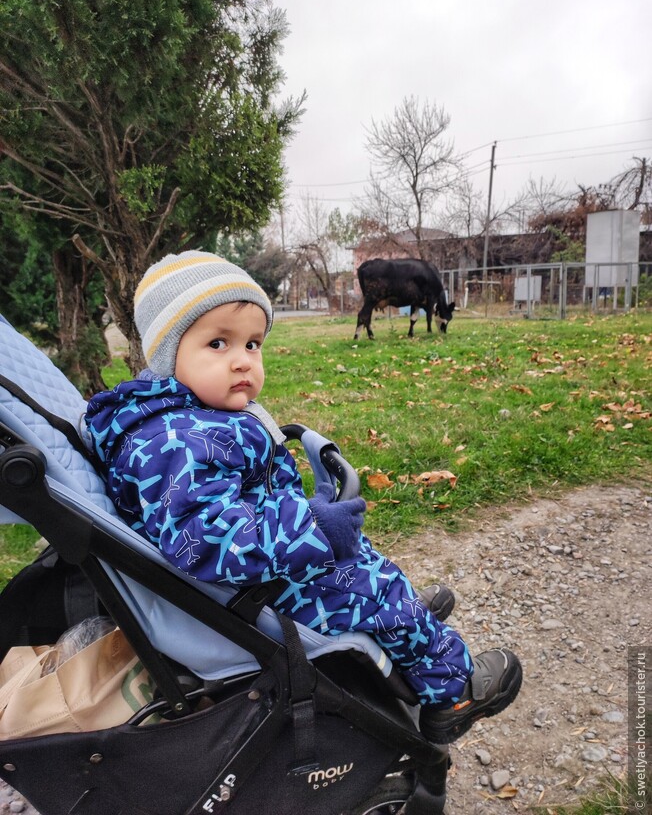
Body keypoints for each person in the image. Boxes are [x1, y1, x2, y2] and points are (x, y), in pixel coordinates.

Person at [86, 251, 522, 743]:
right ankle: (452, 688)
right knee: (373, 586)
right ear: (168, 356)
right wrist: (310, 526)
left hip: (261, 572)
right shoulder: (173, 443)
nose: (242, 360)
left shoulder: (185, 418)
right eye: (217, 343)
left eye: (253, 343)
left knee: (365, 561)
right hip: (251, 595)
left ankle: (400, 625)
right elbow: (204, 538)